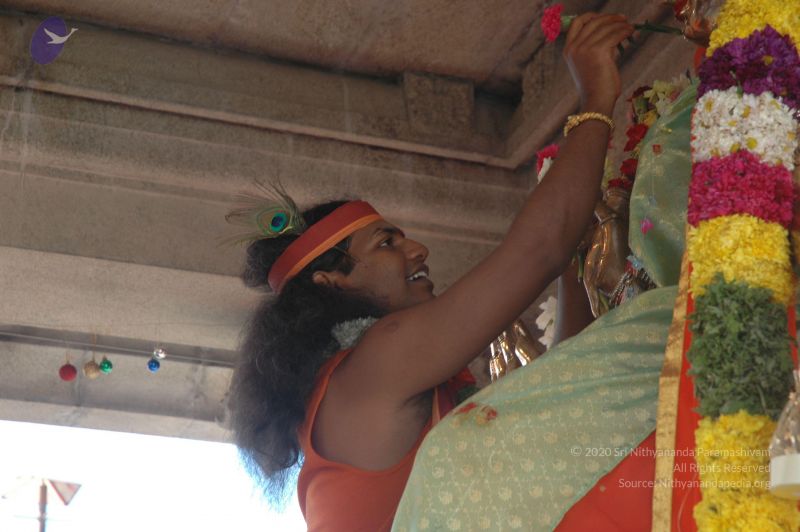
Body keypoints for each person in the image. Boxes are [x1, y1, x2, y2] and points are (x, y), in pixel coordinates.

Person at [227, 13, 634, 531]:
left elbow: (560, 392)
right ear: (331, 283)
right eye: (387, 243)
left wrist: (580, 237)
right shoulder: (376, 364)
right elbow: (537, 251)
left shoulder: (391, 379)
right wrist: (595, 96)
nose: (418, 250)